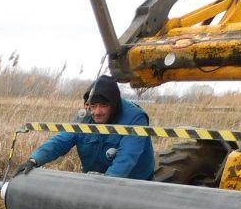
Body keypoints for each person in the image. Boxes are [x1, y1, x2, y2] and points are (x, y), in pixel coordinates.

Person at [14, 75, 155, 181]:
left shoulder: (135, 118)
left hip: (134, 182)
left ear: (114, 105)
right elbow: (62, 140)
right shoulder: (85, 116)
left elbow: (127, 157)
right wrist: (35, 160)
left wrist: (106, 184)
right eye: (93, 105)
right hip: (95, 180)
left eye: (103, 105)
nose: (97, 112)